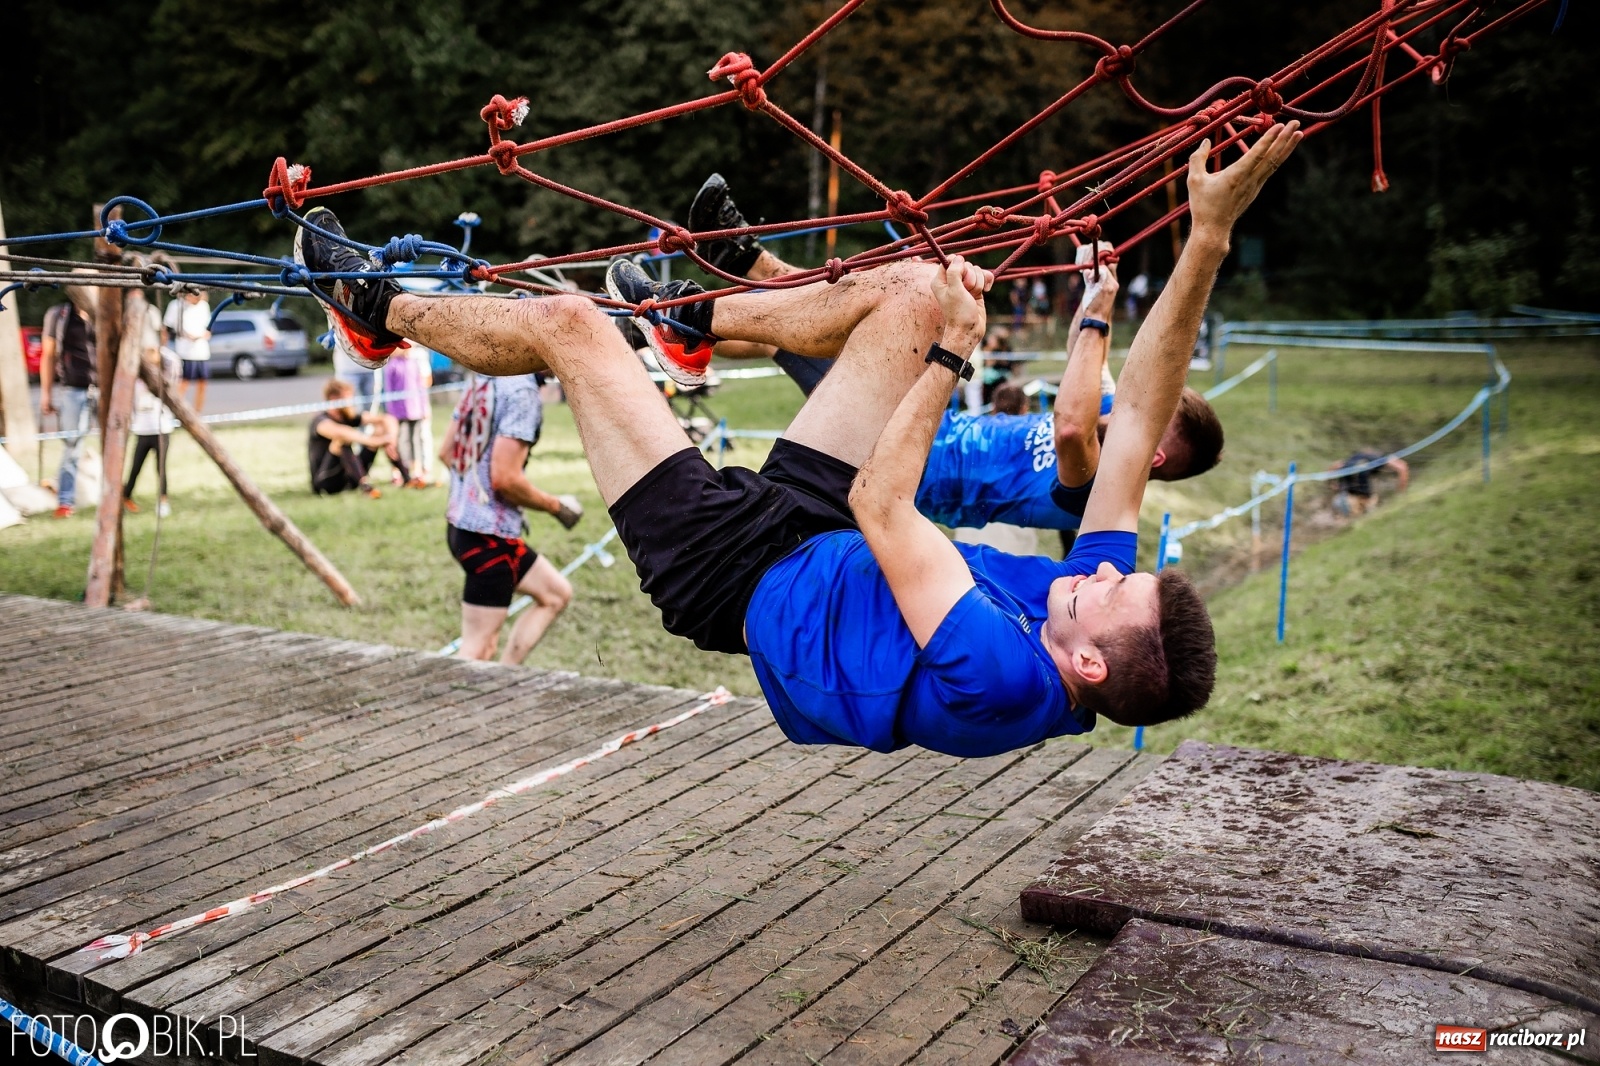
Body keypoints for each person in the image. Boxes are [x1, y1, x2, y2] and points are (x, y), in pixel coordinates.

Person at [293, 121, 1300, 752]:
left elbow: (883, 505)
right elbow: (1138, 421)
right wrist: (1208, 234)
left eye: (1111, 589)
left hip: (737, 578)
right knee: (913, 289)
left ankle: (375, 308)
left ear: (1089, 667)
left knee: (571, 326)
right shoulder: (1083, 608)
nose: (1101, 567)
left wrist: (953, 354)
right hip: (821, 535)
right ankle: (694, 320)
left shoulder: (1009, 679)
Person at [686, 181, 1225, 537]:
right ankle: (691, 307)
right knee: (811, 328)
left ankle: (705, 292)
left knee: (834, 323)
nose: (1138, 400)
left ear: (1155, 457)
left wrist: (1099, 315)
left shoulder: (1095, 493)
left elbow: (1069, 426)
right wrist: (1092, 285)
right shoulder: (1112, 415)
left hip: (898, 461)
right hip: (923, 415)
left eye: (1154, 410)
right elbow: (1085, 362)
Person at [438, 373, 584, 664]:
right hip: (489, 541)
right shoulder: (522, 392)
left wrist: (473, 493)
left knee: (556, 594)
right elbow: (505, 479)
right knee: (477, 650)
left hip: (463, 527)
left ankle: (508, 674)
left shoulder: (484, 375)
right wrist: (557, 507)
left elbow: (446, 452)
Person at [38, 293, 97, 518]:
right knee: (72, 447)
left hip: (103, 387)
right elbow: (48, 355)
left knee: (114, 441)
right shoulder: (60, 315)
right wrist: (46, 394)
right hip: (73, 389)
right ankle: (65, 501)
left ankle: (117, 494)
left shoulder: (101, 314)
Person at [308, 378, 410, 497]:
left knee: (380, 430)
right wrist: (377, 441)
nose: (351, 402)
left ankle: (407, 478)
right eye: (347, 397)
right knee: (341, 441)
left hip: (349, 477)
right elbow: (343, 433)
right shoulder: (320, 421)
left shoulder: (346, 416)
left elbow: (387, 419)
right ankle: (365, 486)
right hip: (326, 481)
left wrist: (391, 438)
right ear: (334, 399)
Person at [125, 305, 178, 517]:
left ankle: (163, 500)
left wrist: (160, 351)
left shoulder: (168, 364)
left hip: (161, 426)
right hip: (143, 427)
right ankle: (126, 495)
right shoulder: (137, 370)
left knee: (161, 467)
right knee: (136, 466)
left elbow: (174, 370)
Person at [383, 345, 432, 487]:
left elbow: (421, 388)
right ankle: (403, 471)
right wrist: (391, 412)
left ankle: (417, 470)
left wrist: (424, 408)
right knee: (402, 442)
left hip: (415, 411)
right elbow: (389, 390)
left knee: (416, 441)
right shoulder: (392, 366)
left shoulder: (414, 363)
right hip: (399, 413)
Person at [163, 288, 212, 413]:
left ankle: (197, 412)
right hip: (184, 350)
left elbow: (208, 328)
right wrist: (163, 347)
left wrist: (203, 335)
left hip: (201, 350)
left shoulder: (203, 306)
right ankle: (175, 410)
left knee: (202, 383)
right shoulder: (176, 306)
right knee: (184, 382)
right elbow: (167, 327)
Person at [1330, 451, 1409, 517]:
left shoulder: (1354, 458)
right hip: (1351, 498)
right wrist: (1401, 494)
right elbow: (1402, 468)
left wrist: (1332, 484)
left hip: (1350, 496)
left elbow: (1335, 466)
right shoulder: (1378, 459)